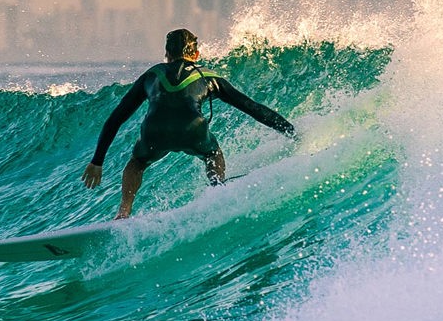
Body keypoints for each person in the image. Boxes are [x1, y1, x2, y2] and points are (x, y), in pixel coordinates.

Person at [82, 29, 296, 219]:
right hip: (193, 130)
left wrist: (97, 161)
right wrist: (290, 131)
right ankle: (217, 191)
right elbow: (252, 107)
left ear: (167, 55)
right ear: (195, 55)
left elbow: (116, 118)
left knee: (136, 163)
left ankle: (124, 212)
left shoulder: (152, 75)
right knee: (213, 154)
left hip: (155, 133)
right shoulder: (209, 76)